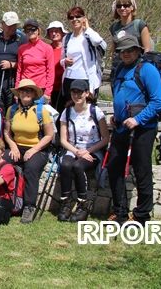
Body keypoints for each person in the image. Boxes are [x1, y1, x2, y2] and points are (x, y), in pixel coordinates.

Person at [108, 34, 161, 225]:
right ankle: (120, 212)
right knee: (114, 167)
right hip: (121, 127)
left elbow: (158, 102)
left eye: (130, 50)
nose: (126, 54)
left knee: (142, 170)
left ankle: (142, 215)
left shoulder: (147, 70)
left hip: (143, 128)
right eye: (122, 50)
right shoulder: (120, 70)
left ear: (138, 50)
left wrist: (138, 119)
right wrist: (116, 116)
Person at [57, 79, 109, 222]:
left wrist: (88, 151)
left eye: (80, 92)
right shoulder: (66, 112)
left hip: (93, 149)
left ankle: (83, 204)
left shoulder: (95, 111)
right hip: (73, 148)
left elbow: (105, 138)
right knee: (66, 165)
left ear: (87, 93)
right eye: (74, 92)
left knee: (78, 166)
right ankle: (66, 203)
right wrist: (76, 151)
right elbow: (62, 139)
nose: (76, 95)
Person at [3, 79, 55, 224]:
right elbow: (7, 132)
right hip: (17, 146)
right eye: (22, 90)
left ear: (33, 94)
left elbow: (50, 135)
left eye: (29, 90)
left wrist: (33, 150)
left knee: (31, 169)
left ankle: (29, 206)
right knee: (1, 162)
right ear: (18, 93)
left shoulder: (41, 111)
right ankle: (2, 199)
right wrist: (12, 146)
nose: (25, 93)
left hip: (38, 148)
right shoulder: (12, 110)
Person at [60, 6, 107, 106]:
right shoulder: (67, 38)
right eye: (71, 17)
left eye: (78, 16)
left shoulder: (89, 36)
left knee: (87, 110)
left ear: (83, 18)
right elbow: (61, 59)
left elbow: (99, 42)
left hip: (86, 79)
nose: (75, 19)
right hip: (69, 78)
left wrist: (87, 27)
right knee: (70, 110)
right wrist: (65, 61)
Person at [109, 0, 153, 73]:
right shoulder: (114, 27)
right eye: (119, 6)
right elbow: (113, 50)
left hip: (137, 67)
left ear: (132, 7)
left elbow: (147, 49)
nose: (122, 8)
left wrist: (142, 68)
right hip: (119, 68)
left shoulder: (140, 25)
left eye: (126, 5)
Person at [16, 19, 55, 97]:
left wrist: (48, 92)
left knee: (39, 109)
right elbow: (19, 70)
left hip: (40, 89)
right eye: (27, 30)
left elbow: (50, 72)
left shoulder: (47, 48)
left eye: (33, 29)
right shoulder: (22, 49)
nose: (30, 32)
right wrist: (17, 89)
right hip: (25, 87)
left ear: (38, 30)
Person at [46, 21, 67, 110]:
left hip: (64, 88)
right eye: (51, 31)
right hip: (50, 88)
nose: (54, 33)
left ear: (62, 33)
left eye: (57, 31)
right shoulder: (46, 49)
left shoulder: (67, 49)